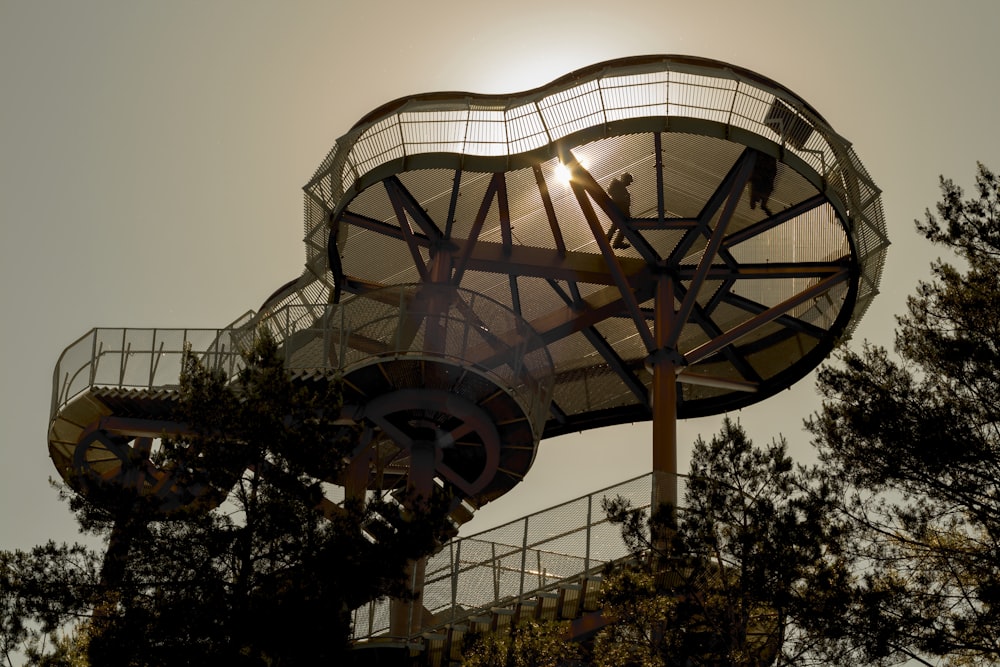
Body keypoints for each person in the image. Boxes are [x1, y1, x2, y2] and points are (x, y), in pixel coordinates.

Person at [607, 172, 633, 249]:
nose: (629, 184)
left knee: (616, 225)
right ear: (625, 179)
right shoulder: (618, 186)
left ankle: (611, 240)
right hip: (620, 209)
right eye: (629, 181)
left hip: (619, 209)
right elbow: (617, 197)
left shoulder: (618, 186)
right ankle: (615, 242)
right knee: (623, 225)